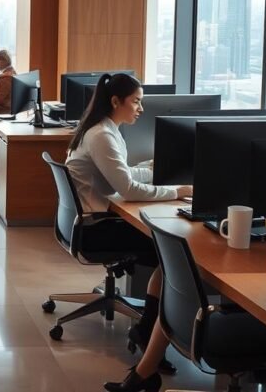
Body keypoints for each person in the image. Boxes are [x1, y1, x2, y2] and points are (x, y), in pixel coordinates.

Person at [63, 73, 194, 392]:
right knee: (172, 256)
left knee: (170, 257)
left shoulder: (105, 130)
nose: (141, 108)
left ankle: (147, 335)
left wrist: (151, 169)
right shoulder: (102, 135)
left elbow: (121, 176)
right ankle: (148, 333)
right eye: (136, 101)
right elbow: (128, 189)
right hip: (97, 229)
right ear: (115, 101)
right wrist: (177, 191)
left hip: (94, 220)